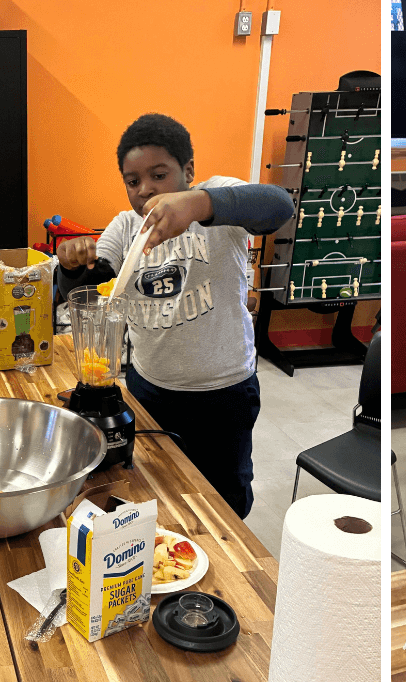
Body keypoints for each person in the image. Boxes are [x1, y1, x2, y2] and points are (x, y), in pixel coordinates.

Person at [56, 113, 294, 518]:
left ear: (188, 171)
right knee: (158, 494)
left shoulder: (218, 198)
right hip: (150, 391)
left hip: (223, 394)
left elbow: (279, 206)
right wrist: (73, 266)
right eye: (133, 181)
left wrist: (198, 204)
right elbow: (87, 289)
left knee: (225, 503)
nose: (145, 189)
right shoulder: (126, 226)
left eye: (159, 175)